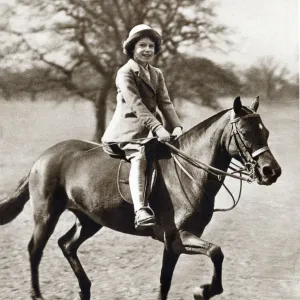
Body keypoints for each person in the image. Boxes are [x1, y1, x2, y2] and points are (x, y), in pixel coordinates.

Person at [101, 24, 182, 229]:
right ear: (132, 49)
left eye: (151, 46)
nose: (147, 49)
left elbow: (165, 103)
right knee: (139, 156)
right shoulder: (125, 72)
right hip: (127, 133)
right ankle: (141, 209)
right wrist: (158, 128)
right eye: (142, 45)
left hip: (151, 131)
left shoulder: (156, 73)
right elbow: (137, 105)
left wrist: (176, 126)